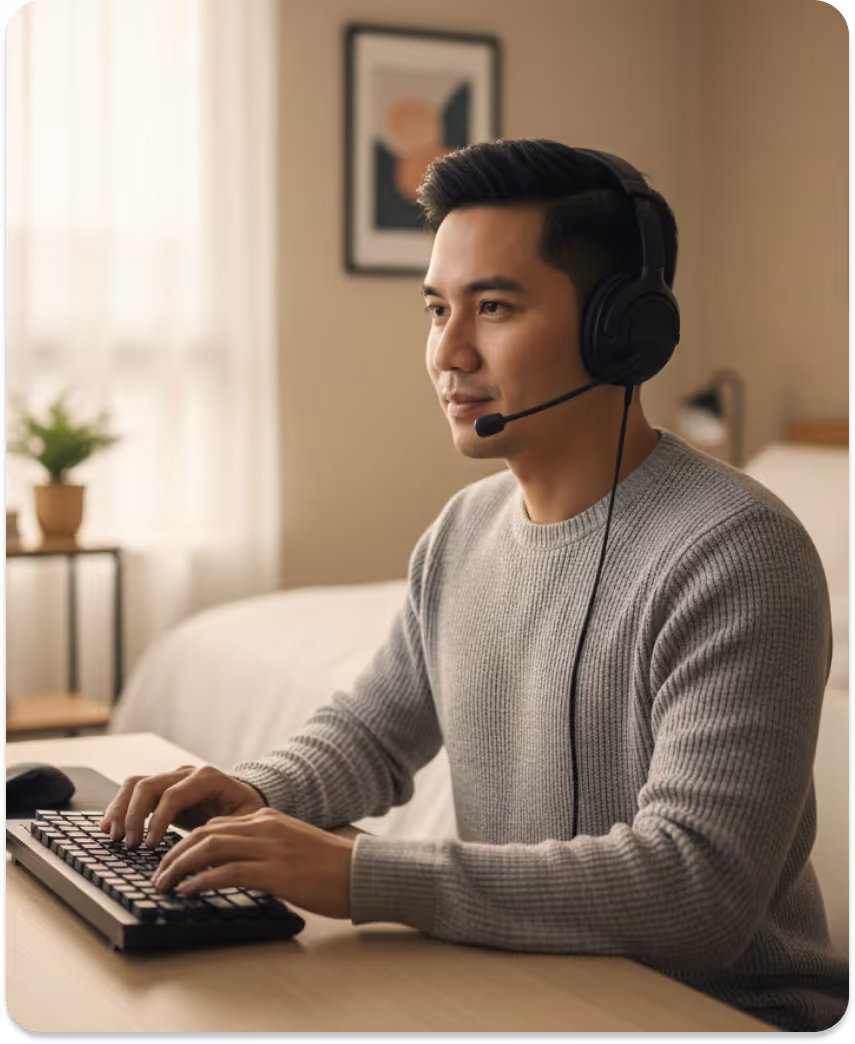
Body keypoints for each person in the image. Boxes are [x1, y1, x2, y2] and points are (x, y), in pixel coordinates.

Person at [102, 140, 847, 1033]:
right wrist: (255, 795)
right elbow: (370, 733)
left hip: (717, 1013)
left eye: (492, 307)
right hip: (523, 984)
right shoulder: (464, 529)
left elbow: (697, 889)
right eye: (436, 309)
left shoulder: (739, 555)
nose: (448, 353)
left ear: (620, 329)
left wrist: (358, 876)